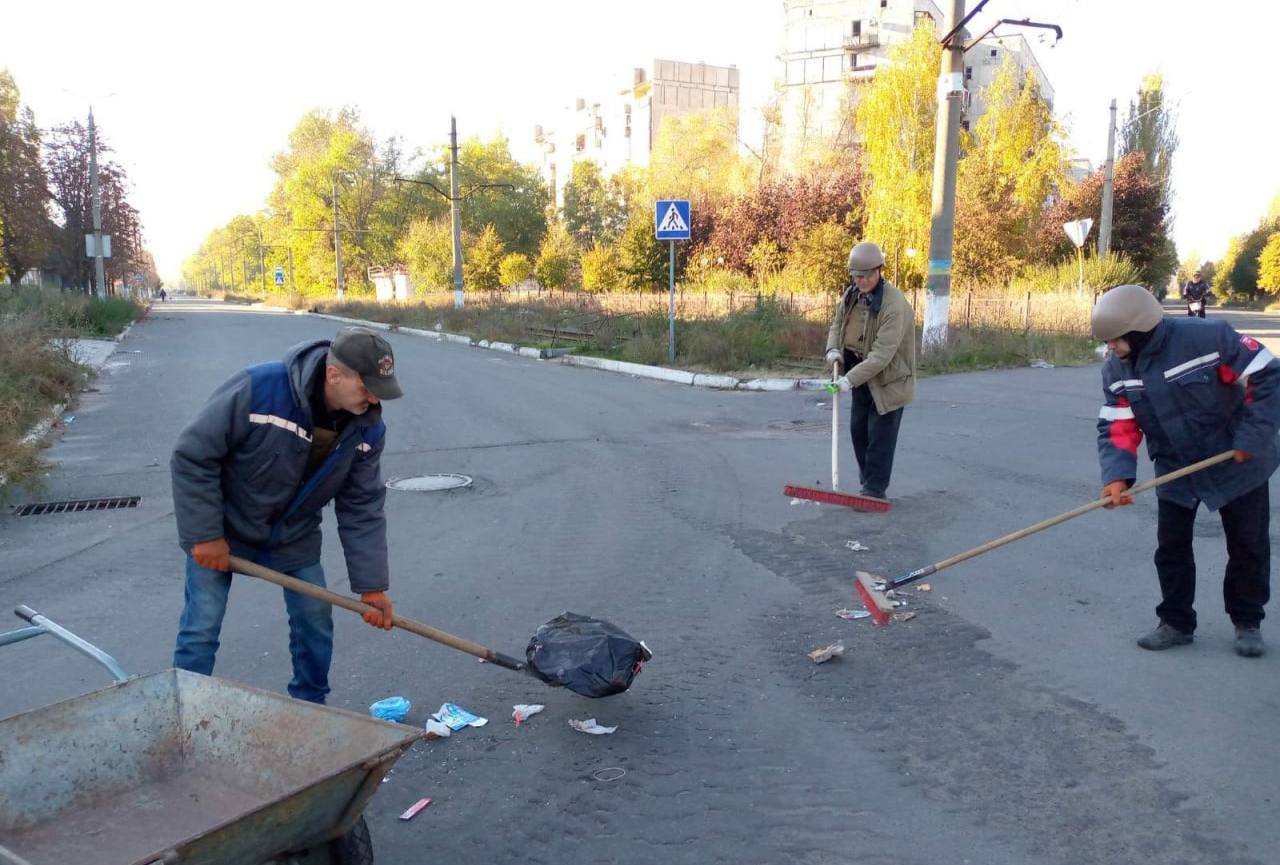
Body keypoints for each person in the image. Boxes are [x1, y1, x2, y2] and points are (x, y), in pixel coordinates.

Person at [170, 326, 403, 702]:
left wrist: (372, 587)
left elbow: (361, 508)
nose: (375, 399)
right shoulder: (259, 390)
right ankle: (180, 709)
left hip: (294, 537)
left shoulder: (367, 429)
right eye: (367, 387)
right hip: (223, 533)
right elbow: (193, 455)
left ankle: (310, 708)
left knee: (315, 620)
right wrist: (204, 535)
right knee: (202, 626)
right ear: (333, 375)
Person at [1093, 284, 1279, 657]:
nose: (1110, 347)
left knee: (1247, 545)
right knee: (1171, 547)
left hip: (1236, 461)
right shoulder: (1116, 369)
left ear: (1139, 330)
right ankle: (1175, 623)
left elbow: (1268, 377)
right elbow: (1118, 424)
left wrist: (1252, 437)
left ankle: (1247, 622)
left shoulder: (1210, 338)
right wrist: (1117, 476)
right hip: (1175, 468)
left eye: (1115, 340)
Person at [823, 241, 917, 501]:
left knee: (880, 438)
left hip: (888, 380)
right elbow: (837, 323)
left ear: (879, 271)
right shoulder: (851, 295)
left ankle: (874, 491)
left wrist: (847, 381)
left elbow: (881, 356)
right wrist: (833, 350)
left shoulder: (894, 306)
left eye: (867, 275)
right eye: (857, 276)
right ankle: (868, 485)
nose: (862, 281)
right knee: (858, 431)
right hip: (858, 373)